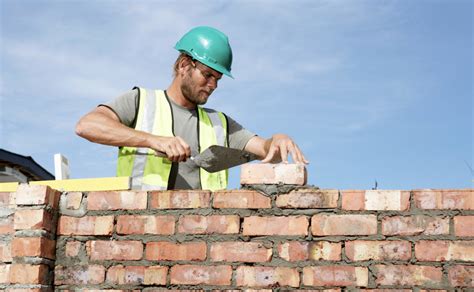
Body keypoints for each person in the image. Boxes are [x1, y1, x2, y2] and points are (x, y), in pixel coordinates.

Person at [75, 26, 308, 191]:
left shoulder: (220, 123)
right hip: (140, 232)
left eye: (218, 79)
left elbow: (265, 149)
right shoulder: (141, 101)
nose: (213, 85)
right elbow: (87, 126)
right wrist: (153, 140)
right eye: (207, 75)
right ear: (184, 65)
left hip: (200, 243)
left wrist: (277, 140)